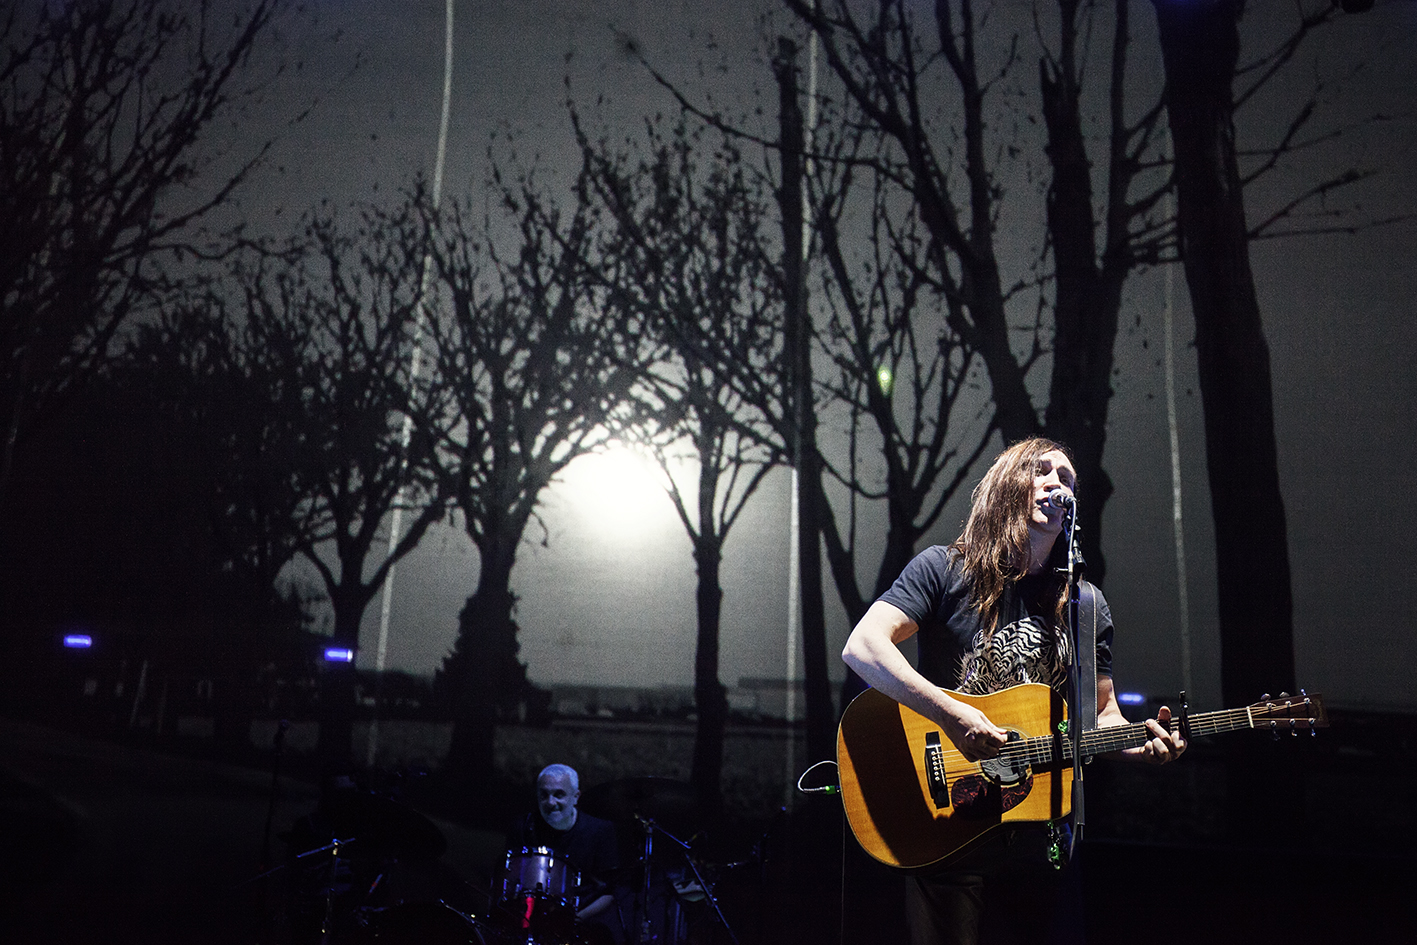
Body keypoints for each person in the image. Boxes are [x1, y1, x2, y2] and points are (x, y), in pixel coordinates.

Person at [841, 437, 1186, 945]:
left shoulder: (1086, 605)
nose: (1057, 483)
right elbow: (863, 646)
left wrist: (1141, 745)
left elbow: (1101, 716)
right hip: (950, 825)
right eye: (1041, 471)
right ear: (1007, 486)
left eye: (1067, 478)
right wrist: (952, 715)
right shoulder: (944, 569)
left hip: (1038, 835)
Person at [504, 763, 622, 942]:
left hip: (584, 922)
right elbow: (509, 882)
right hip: (531, 921)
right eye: (544, 795)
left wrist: (574, 920)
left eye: (559, 795)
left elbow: (609, 892)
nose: (551, 802)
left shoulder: (600, 831)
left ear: (576, 797)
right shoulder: (523, 828)